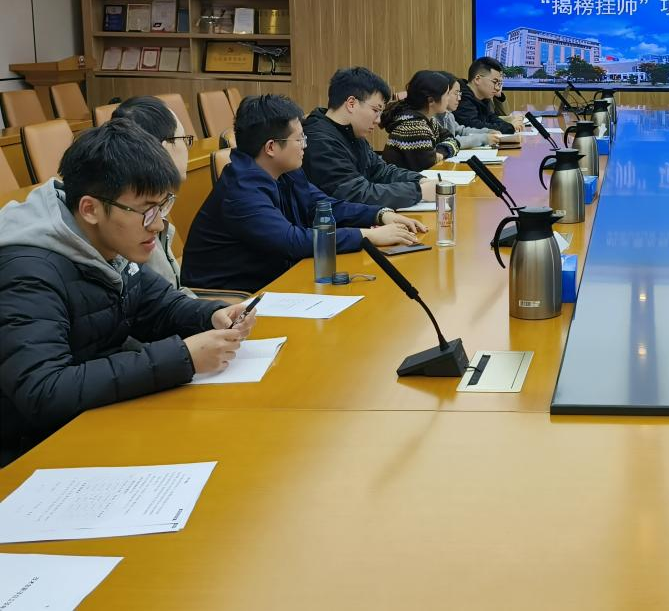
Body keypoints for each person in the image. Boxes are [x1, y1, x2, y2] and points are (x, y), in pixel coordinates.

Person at [0, 119, 257, 460]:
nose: (159, 224)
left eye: (163, 206)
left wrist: (212, 315)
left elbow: (158, 305)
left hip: (99, 421)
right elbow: (44, 391)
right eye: (147, 211)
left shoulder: (105, 241)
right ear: (91, 209)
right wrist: (183, 358)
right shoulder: (28, 273)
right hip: (36, 451)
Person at [182, 95, 422, 293]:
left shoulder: (285, 171)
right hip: (232, 297)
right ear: (271, 147)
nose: (305, 145)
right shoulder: (241, 191)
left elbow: (323, 205)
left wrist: (380, 215)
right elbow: (292, 241)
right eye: (299, 139)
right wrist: (366, 236)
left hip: (274, 281)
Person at [301, 66, 431, 209]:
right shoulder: (319, 141)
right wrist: (419, 192)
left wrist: (420, 180)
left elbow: (381, 171)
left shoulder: (351, 133)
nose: (378, 120)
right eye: (376, 110)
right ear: (351, 104)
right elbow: (357, 194)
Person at [111, 95, 198, 295]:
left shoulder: (148, 204)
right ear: (165, 148)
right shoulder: (134, 222)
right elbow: (164, 301)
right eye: (185, 140)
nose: (187, 149)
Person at [436, 71, 500, 149]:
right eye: (456, 93)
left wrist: (487, 132)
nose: (459, 98)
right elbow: (448, 142)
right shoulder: (431, 119)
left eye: (459, 94)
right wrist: (483, 138)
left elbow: (461, 131)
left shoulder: (448, 115)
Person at [455, 57, 517, 134]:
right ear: (477, 79)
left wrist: (509, 126)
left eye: (499, 83)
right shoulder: (461, 98)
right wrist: (509, 128)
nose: (498, 88)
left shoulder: (483, 99)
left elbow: (492, 118)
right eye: (495, 82)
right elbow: (474, 126)